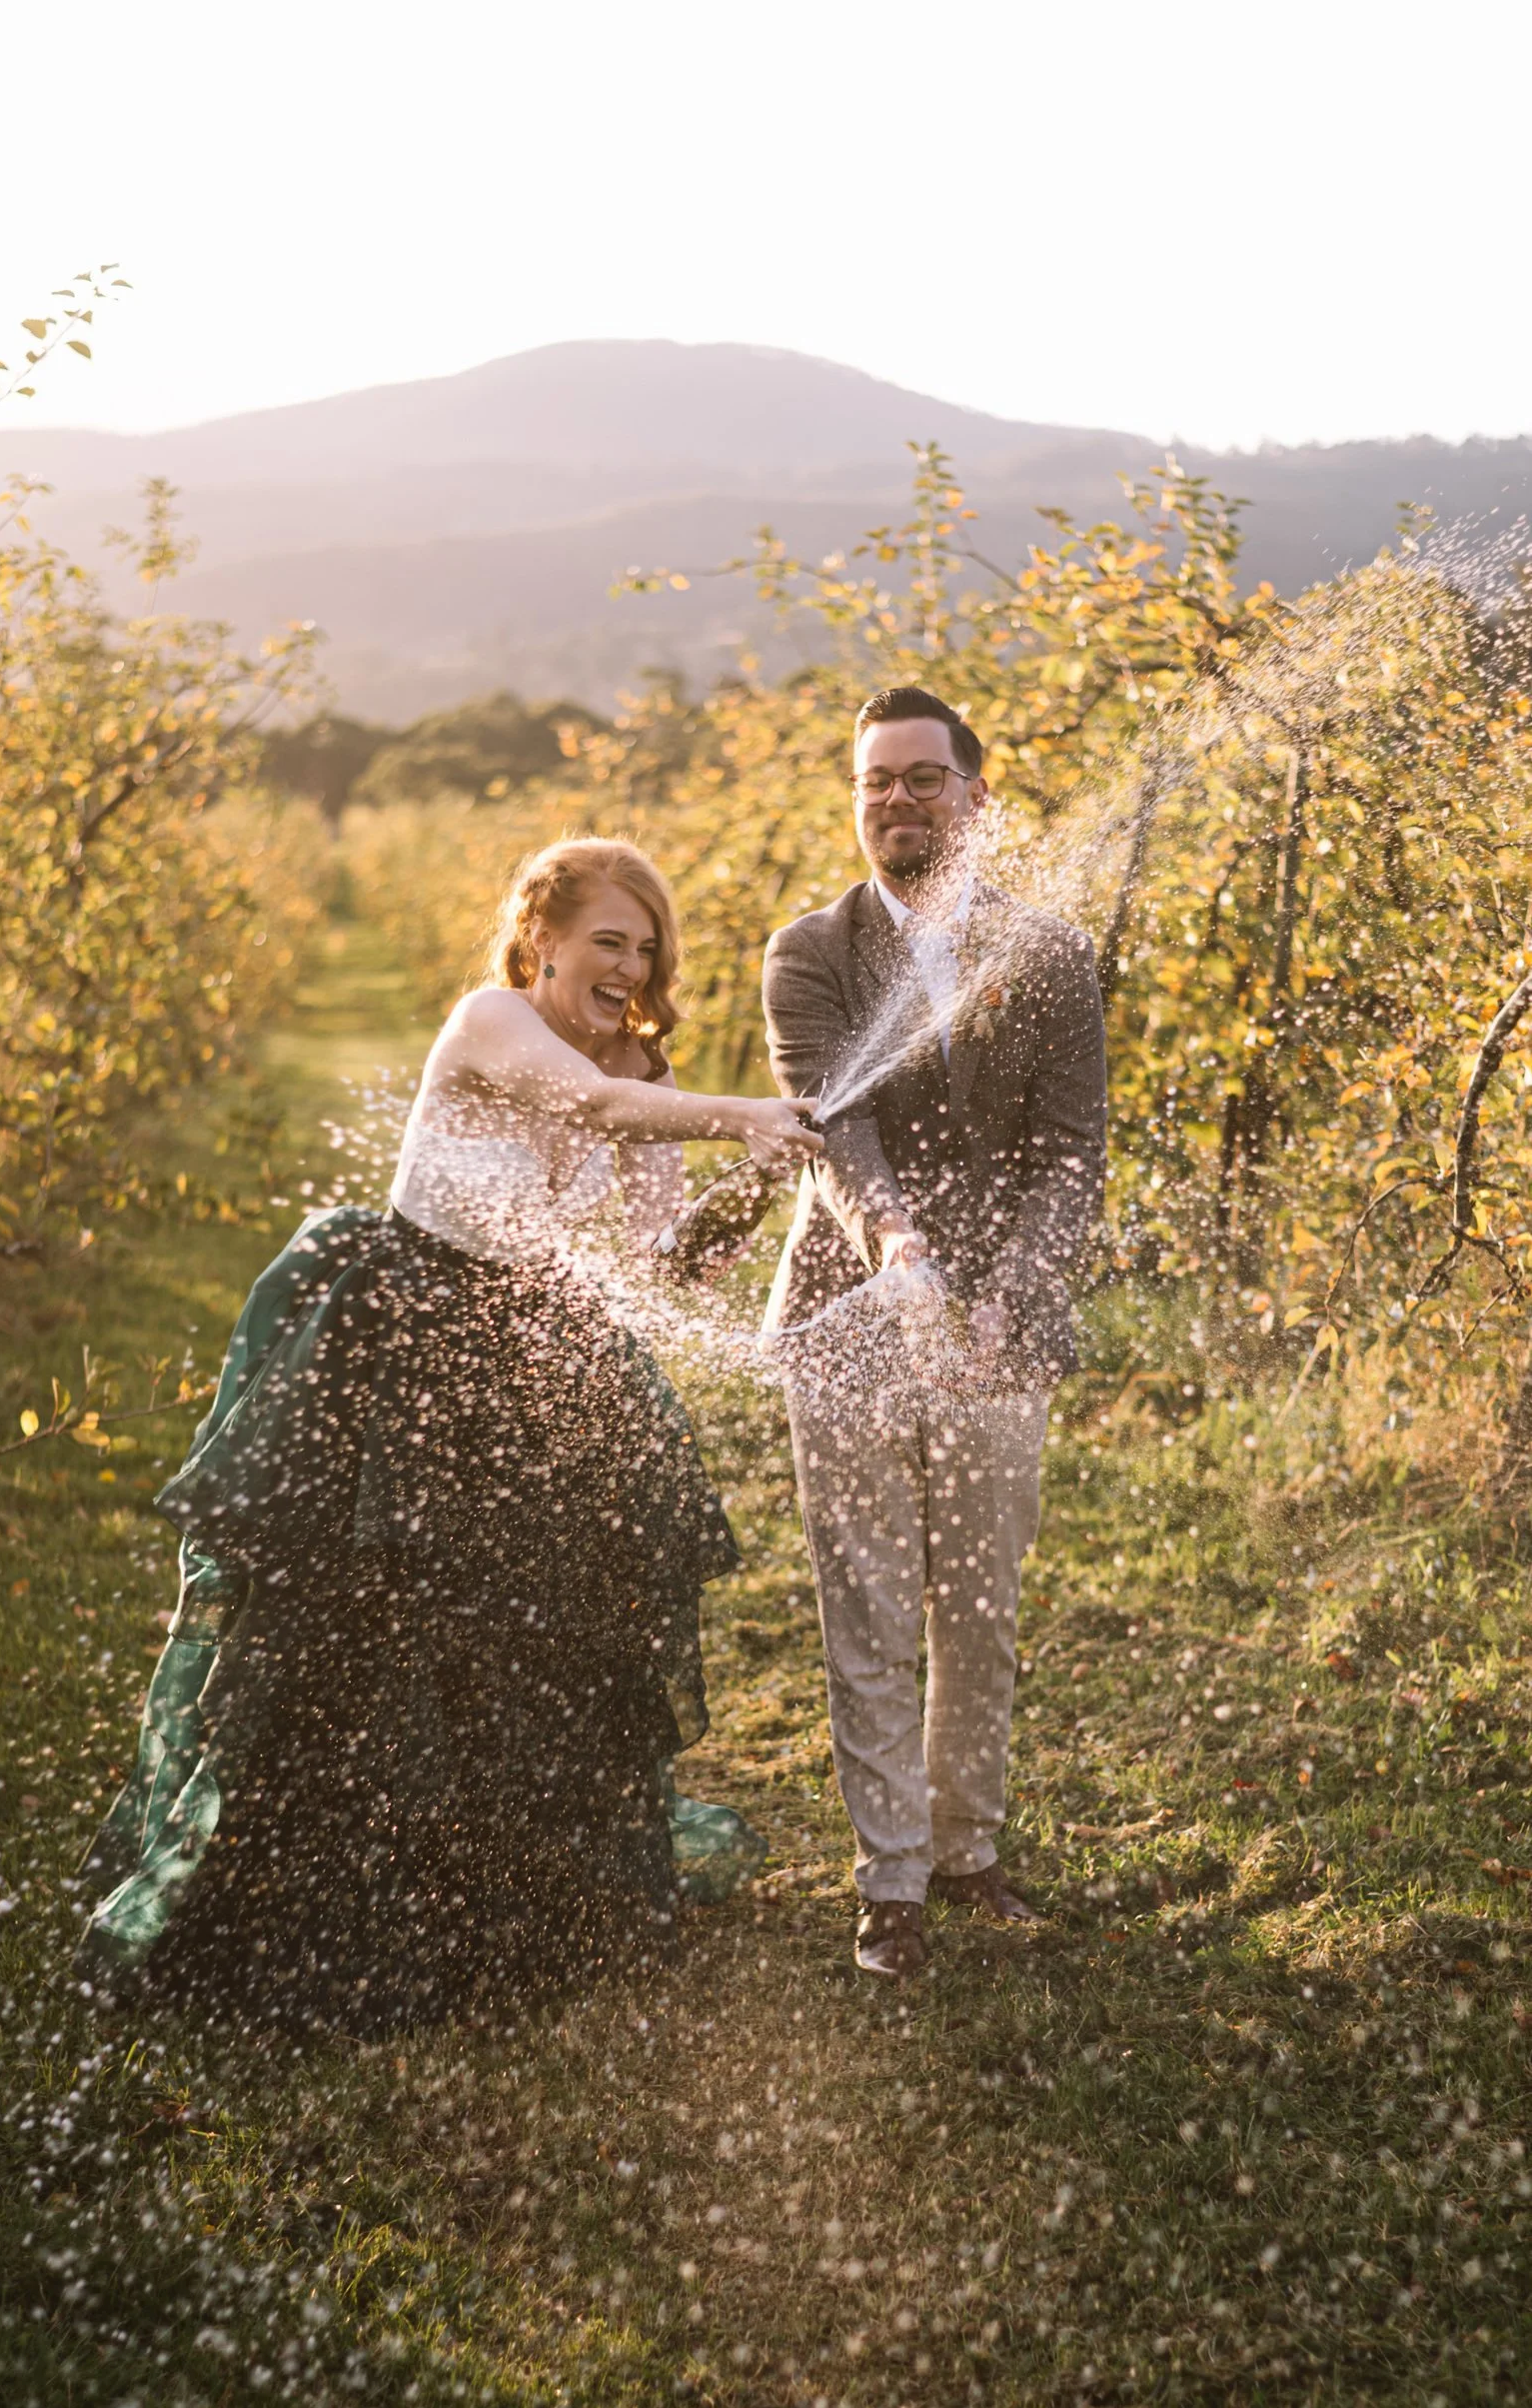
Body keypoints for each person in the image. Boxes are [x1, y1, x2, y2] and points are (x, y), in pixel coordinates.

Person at [77, 838, 818, 2031]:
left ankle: (510, 1908)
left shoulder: (641, 1065)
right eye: (607, 942)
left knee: (535, 1645)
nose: (628, 966)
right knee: (369, 1644)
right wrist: (740, 1116)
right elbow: (588, 1105)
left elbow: (648, 1261)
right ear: (543, 941)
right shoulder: (491, 1020)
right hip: (404, 1354)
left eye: (646, 947)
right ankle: (340, 1908)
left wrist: (756, 1183)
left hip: (532, 1369)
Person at [763, 686, 1106, 1979]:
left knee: (976, 1605)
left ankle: (966, 1851)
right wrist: (897, 1249)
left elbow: (1069, 1157)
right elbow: (833, 1126)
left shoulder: (1054, 954)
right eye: (872, 784)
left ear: (972, 793)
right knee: (866, 1604)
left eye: (918, 778)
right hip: (845, 1317)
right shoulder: (806, 952)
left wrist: (1006, 1295)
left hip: (1000, 1338)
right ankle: (888, 1881)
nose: (893, 801)